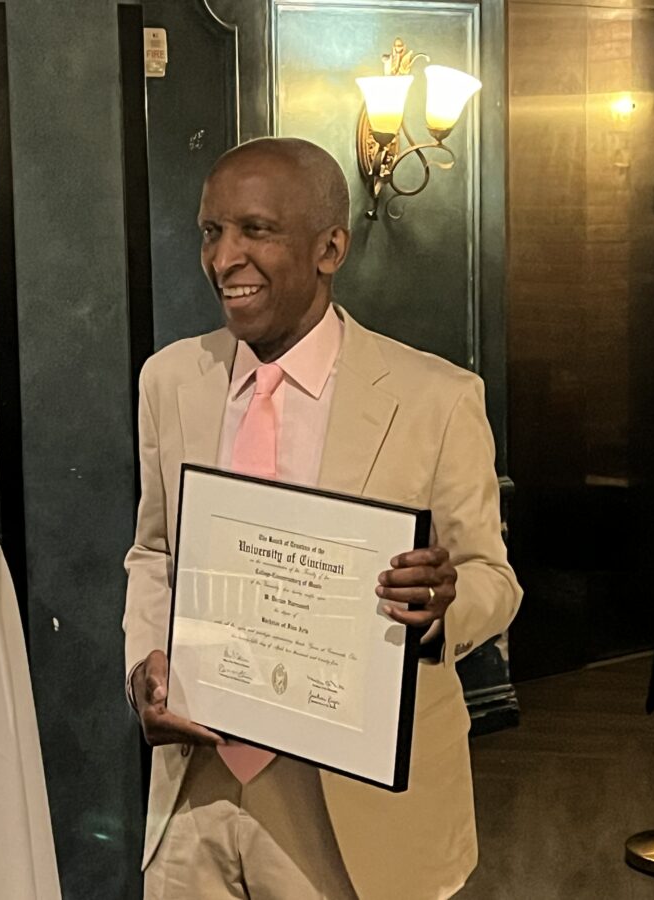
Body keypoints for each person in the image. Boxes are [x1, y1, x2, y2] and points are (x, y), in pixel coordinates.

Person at [123, 136, 521, 900]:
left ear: (330, 246)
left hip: (355, 804)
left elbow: (493, 581)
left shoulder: (436, 397)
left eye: (255, 230)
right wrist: (145, 666)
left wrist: (439, 610)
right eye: (211, 232)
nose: (223, 258)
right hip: (196, 791)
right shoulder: (171, 379)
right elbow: (153, 553)